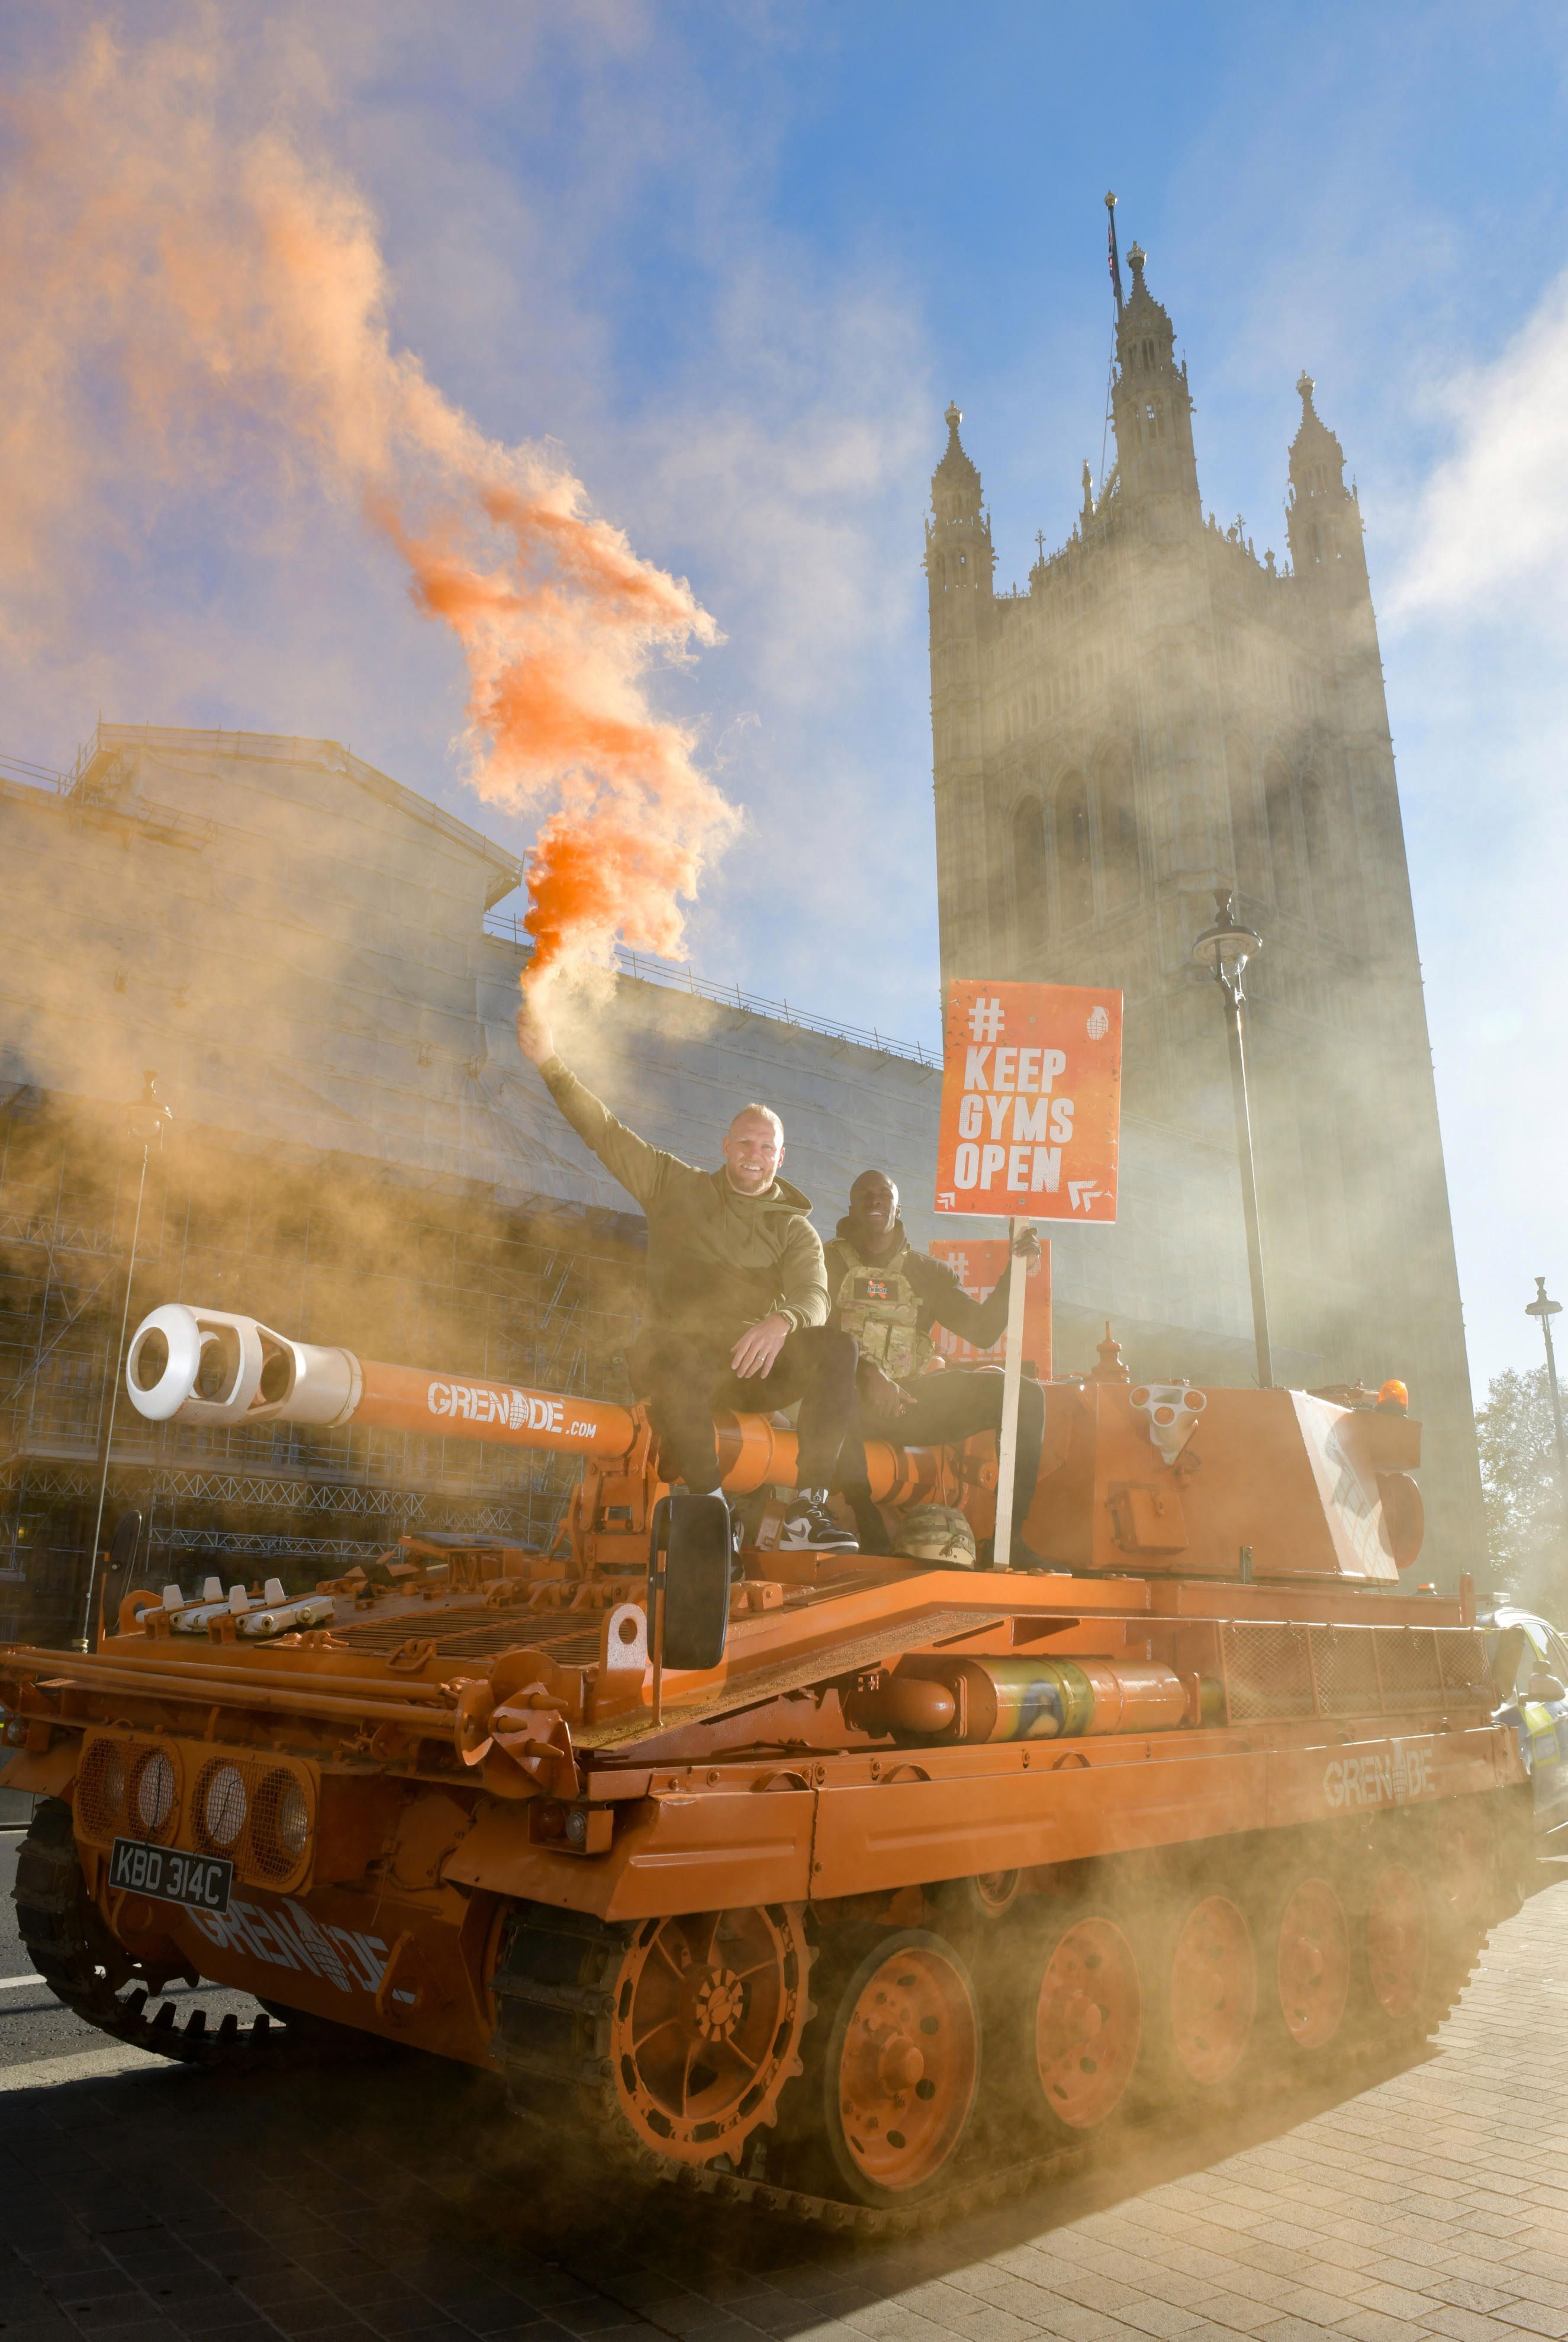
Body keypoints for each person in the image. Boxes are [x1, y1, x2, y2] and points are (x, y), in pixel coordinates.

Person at [516, 992, 861, 1550]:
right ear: (725, 1147)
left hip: (748, 1366)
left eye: (766, 1146)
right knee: (664, 1350)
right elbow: (605, 1132)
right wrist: (550, 1062)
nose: (754, 1153)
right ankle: (711, 1509)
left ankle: (807, 1511)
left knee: (837, 1349)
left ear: (781, 1158)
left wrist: (782, 1322)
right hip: (680, 1363)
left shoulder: (794, 1229)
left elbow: (814, 1294)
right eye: (745, 1142)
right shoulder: (672, 1186)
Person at [825, 1168, 1048, 1567]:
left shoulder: (928, 1273)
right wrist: (868, 1374)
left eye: (883, 1194)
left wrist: (1014, 1270)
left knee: (1024, 1396)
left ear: (897, 1206)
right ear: (851, 1205)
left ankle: (1008, 1537)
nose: (875, 1200)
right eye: (865, 1194)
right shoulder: (823, 1262)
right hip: (846, 1408)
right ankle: (867, 1521)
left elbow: (982, 1331)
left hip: (910, 1402)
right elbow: (812, 1340)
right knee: (828, 1393)